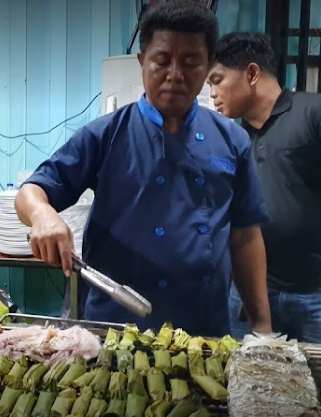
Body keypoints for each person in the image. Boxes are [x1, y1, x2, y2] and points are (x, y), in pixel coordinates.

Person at [14, 0, 273, 336]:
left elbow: (246, 236)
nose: (175, 75)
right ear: (142, 62)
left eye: (191, 62)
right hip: (111, 326)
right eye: (162, 61)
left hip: (202, 329)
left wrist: (262, 324)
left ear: (209, 65)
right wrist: (43, 216)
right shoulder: (106, 134)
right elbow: (31, 192)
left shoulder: (231, 139)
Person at [208, 32, 321, 362]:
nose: (212, 94)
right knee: (252, 391)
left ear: (251, 74)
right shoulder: (233, 137)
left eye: (217, 80)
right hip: (251, 294)